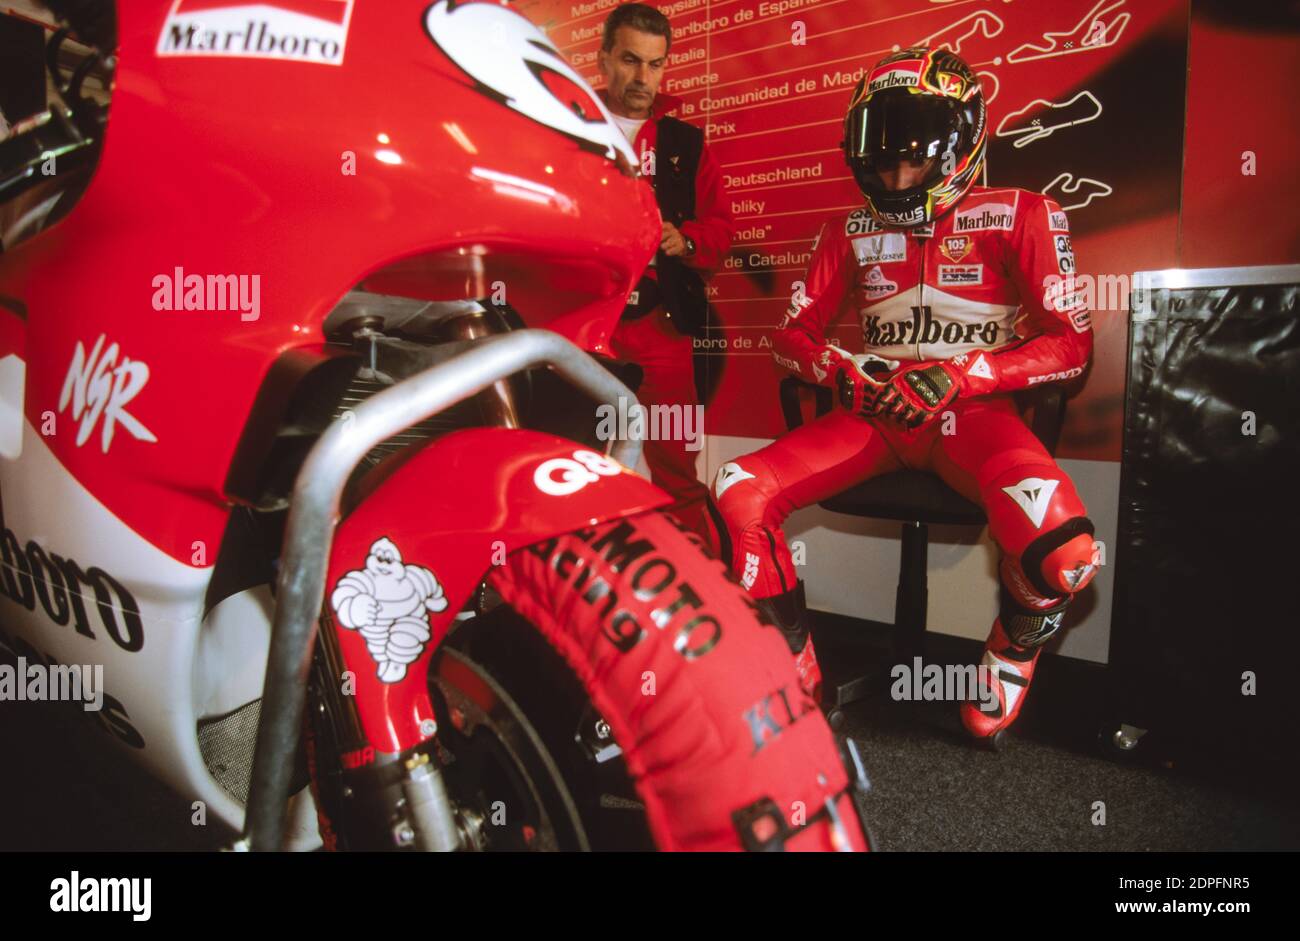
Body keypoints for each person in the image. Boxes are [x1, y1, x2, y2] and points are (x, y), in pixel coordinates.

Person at [709, 46, 1098, 741]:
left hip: (973, 419)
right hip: (873, 417)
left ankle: (1010, 653)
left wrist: (962, 374)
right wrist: (841, 368)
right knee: (737, 487)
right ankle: (791, 664)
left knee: (1065, 554)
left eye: (913, 160)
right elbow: (790, 335)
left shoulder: (1023, 212)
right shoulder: (847, 230)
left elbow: (1071, 345)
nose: (896, 176)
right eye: (883, 161)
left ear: (960, 144)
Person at [597, 2, 735, 543]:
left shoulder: (685, 143)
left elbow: (722, 228)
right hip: (586, 326)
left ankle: (697, 592)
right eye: (630, 60)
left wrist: (687, 240)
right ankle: (590, 589)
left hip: (663, 327)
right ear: (604, 58)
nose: (642, 78)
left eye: (655, 65)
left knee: (676, 465)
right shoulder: (567, 129)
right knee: (582, 458)